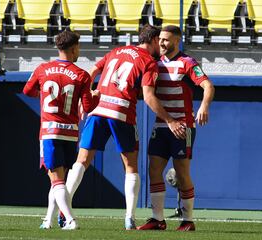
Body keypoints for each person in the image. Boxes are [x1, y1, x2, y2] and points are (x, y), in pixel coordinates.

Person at [64, 24, 186, 230]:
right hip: (121, 111)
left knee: (82, 160)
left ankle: (64, 210)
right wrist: (170, 120)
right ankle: (129, 218)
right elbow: (148, 97)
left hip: (98, 108)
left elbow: (92, 71)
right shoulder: (148, 61)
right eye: (161, 42)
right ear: (155, 41)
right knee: (130, 167)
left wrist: (87, 95)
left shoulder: (116, 51)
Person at [137, 25, 215, 231]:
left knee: (182, 173)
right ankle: (157, 219)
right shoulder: (153, 63)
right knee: (153, 170)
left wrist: (204, 106)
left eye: (166, 40)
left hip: (182, 126)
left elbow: (208, 85)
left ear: (177, 41)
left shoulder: (187, 62)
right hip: (161, 126)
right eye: (160, 39)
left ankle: (188, 221)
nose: (161, 43)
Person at [22, 31, 100, 230]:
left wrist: (44, 92)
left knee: (56, 180)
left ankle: (70, 220)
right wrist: (96, 96)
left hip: (49, 131)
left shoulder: (43, 69)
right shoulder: (81, 75)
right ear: (73, 48)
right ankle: (48, 220)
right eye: (79, 47)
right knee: (58, 181)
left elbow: (27, 91)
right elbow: (89, 107)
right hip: (71, 132)